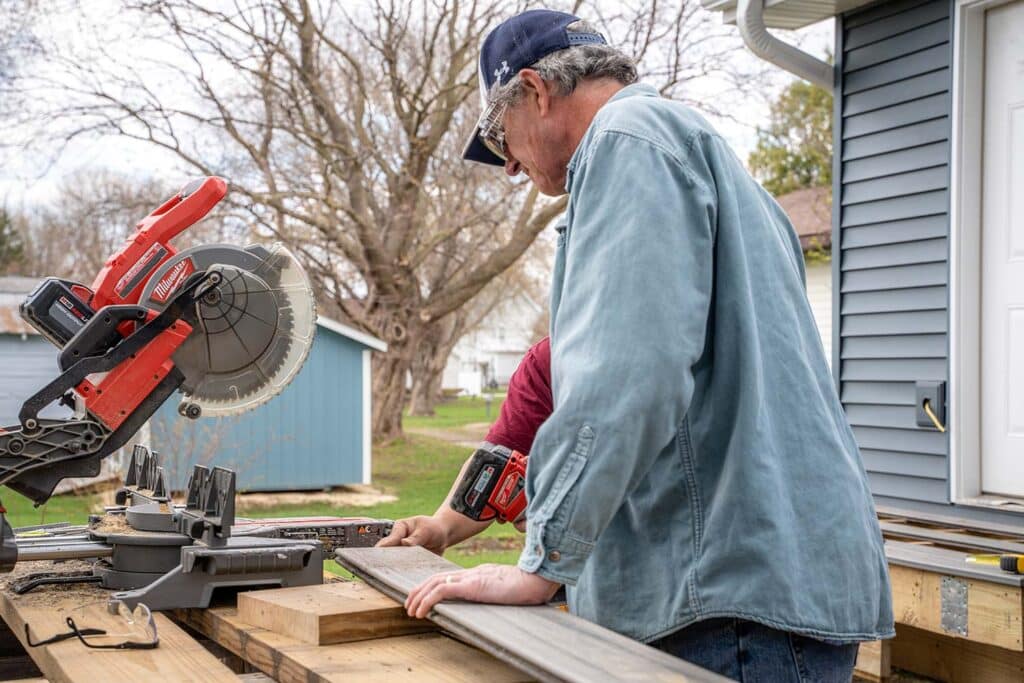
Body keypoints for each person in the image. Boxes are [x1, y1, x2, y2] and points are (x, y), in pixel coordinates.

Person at [385, 9, 895, 681]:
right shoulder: (712, 160)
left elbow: (628, 376)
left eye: (497, 134)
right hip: (772, 594)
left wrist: (542, 564)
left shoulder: (627, 143)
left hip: (725, 610)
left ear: (536, 92)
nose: (507, 165)